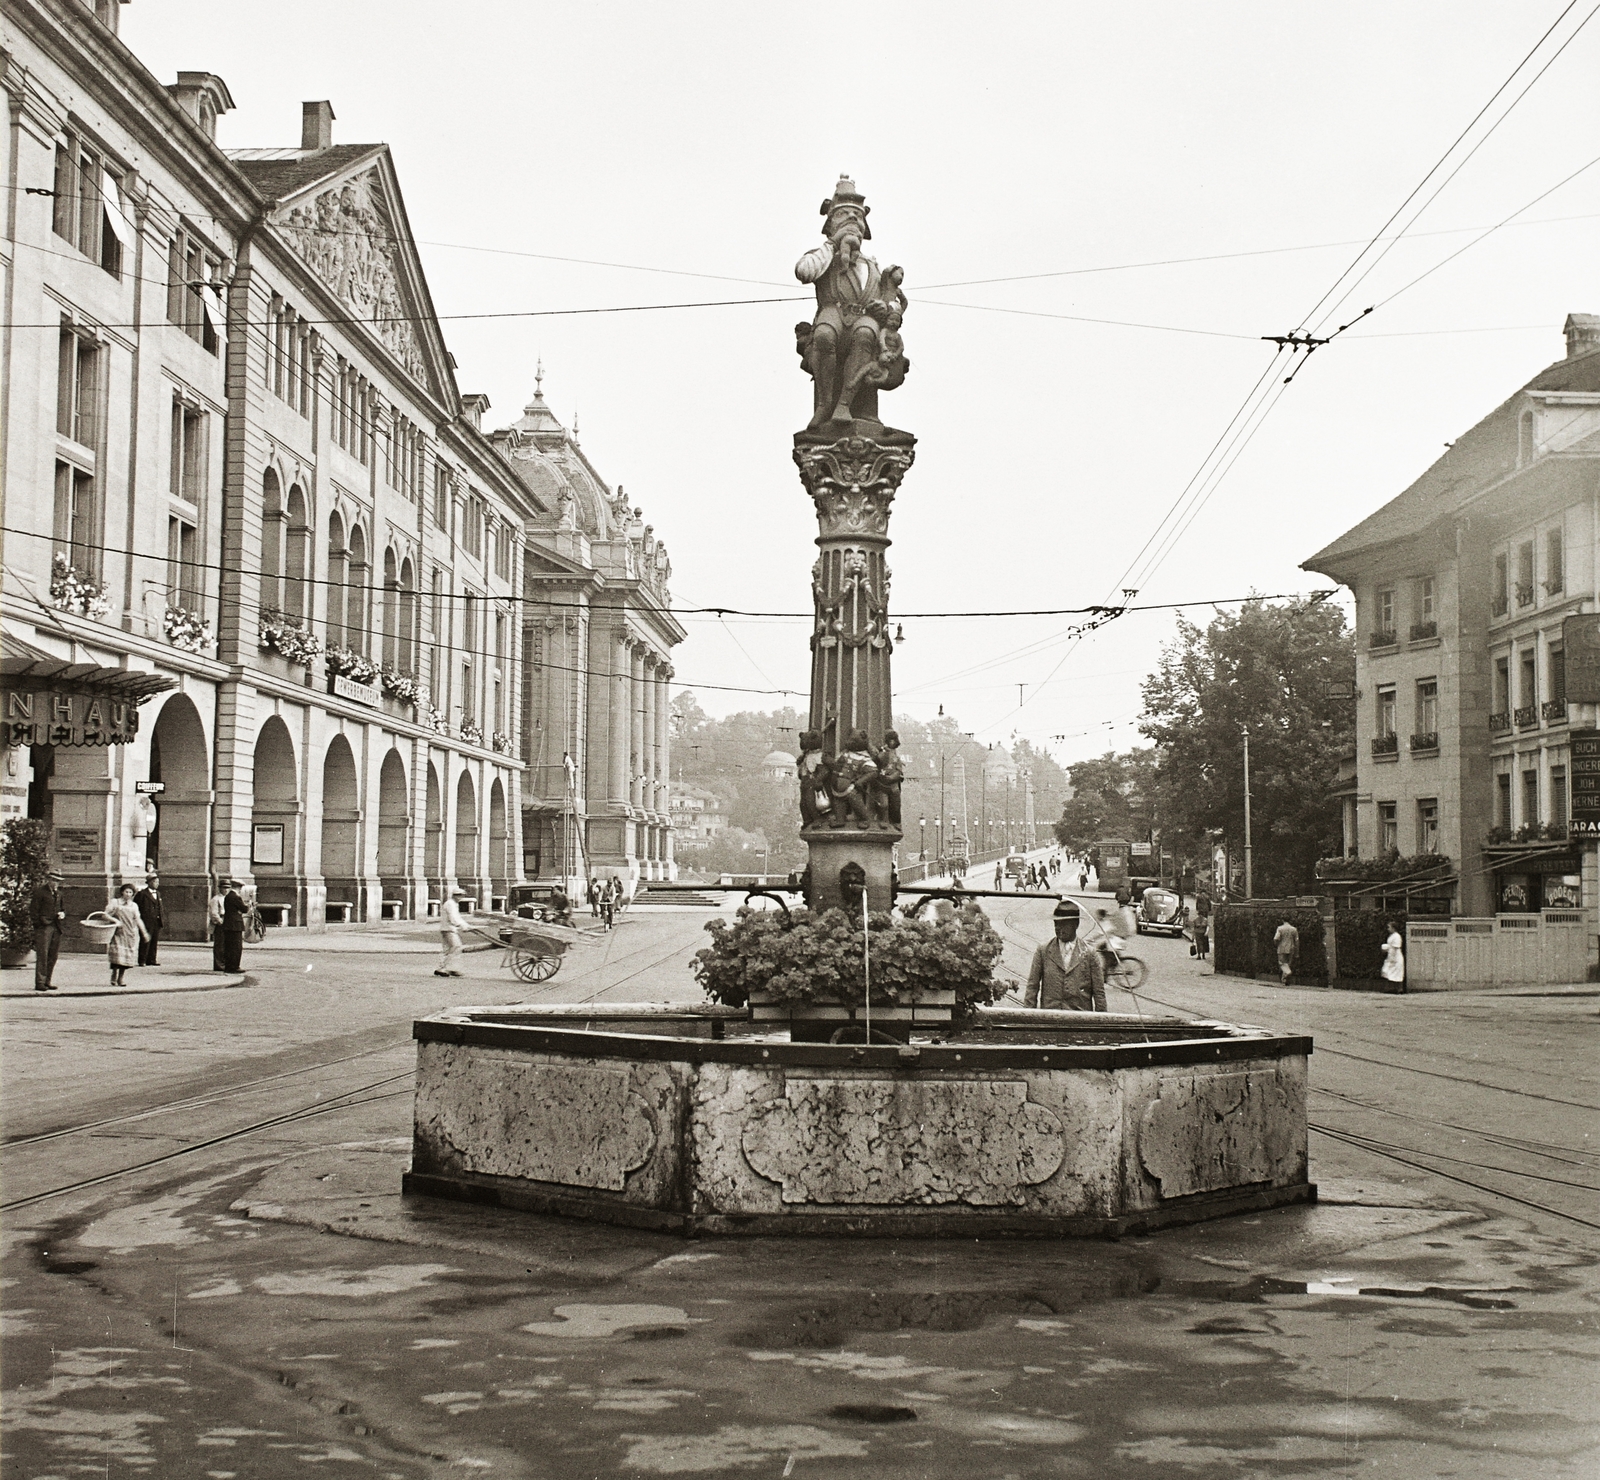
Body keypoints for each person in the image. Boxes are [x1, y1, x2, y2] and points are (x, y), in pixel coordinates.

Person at [1024, 900, 1106, 1012]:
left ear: (1076, 924)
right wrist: (1028, 1019)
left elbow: (1099, 993)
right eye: (1056, 924)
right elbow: (1032, 987)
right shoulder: (1043, 951)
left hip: (1080, 1022)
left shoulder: (1089, 954)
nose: (1058, 928)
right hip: (1050, 1020)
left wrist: (1100, 1025)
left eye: (1064, 924)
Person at [106, 883, 149, 988]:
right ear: (122, 892)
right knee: (117, 956)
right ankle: (114, 973)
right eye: (126, 892)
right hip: (118, 932)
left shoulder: (134, 906)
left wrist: (144, 933)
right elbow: (105, 914)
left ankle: (121, 978)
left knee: (126, 957)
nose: (128, 894)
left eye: (130, 892)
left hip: (129, 934)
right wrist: (115, 920)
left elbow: (138, 919)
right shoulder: (115, 902)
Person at [31, 866, 67, 992]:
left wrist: (62, 914)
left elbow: (62, 908)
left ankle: (48, 981)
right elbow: (34, 910)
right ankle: (40, 982)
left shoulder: (59, 893)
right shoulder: (40, 892)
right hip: (44, 926)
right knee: (43, 954)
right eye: (54, 880)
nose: (56, 883)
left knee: (53, 955)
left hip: (56, 926)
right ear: (49, 880)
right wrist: (38, 924)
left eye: (58, 881)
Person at [436, 886, 467, 977]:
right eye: (461, 896)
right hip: (448, 929)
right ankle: (443, 968)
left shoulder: (453, 904)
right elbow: (453, 918)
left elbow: (457, 918)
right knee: (455, 947)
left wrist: (466, 925)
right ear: (456, 896)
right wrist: (462, 926)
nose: (462, 898)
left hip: (450, 928)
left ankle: (451, 968)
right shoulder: (450, 904)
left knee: (451, 948)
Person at [134, 872, 164, 965]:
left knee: (154, 941)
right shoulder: (142, 894)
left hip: (156, 920)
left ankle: (151, 959)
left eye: (158, 881)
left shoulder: (158, 893)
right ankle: (142, 960)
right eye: (155, 881)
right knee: (145, 941)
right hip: (146, 921)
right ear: (149, 882)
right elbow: (137, 907)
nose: (157, 883)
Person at [218, 879, 247, 973]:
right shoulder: (236, 897)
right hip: (235, 925)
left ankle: (229, 966)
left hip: (228, 924)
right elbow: (244, 909)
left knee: (229, 946)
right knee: (236, 947)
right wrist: (249, 905)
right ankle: (234, 966)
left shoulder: (228, 896)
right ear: (239, 888)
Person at [1273, 917, 1300, 985]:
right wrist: (1297, 951)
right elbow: (1297, 941)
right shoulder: (1294, 929)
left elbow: (1276, 938)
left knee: (1282, 963)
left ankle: (1287, 974)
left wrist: (1277, 944)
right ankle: (1285, 980)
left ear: (1283, 920)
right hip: (1291, 948)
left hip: (1281, 948)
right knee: (1288, 964)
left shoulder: (1280, 928)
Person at [208, 882, 229, 970]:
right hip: (219, 923)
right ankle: (219, 965)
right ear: (220, 888)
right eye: (224, 888)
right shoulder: (215, 899)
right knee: (219, 945)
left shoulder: (227, 898)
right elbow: (214, 913)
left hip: (227, 922)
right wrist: (220, 921)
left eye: (228, 888)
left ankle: (224, 963)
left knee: (226, 944)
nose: (226, 890)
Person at [1381, 919, 1406, 988]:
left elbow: (1395, 947)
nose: (1388, 929)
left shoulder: (1397, 936)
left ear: (1393, 928)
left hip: (1396, 957)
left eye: (1389, 927)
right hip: (1391, 956)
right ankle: (1390, 988)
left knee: (1397, 973)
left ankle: (1398, 989)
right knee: (1387, 971)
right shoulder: (1391, 936)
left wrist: (1388, 949)